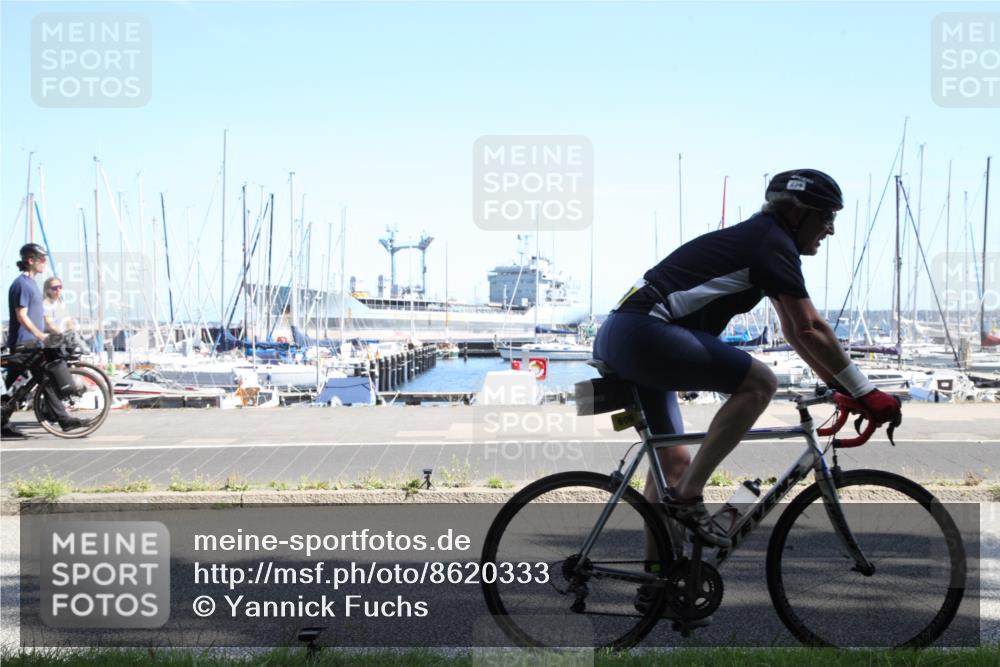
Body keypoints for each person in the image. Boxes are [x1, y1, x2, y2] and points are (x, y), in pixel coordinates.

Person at [594, 169, 901, 550]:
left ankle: (658, 585)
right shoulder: (771, 244)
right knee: (761, 383)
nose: (830, 230)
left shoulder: (762, 240)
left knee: (672, 468)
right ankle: (689, 499)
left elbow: (792, 329)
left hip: (624, 333)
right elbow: (810, 328)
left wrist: (842, 388)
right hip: (643, 333)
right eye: (826, 217)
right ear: (798, 213)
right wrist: (867, 392)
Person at [2, 244, 83, 438]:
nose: (45, 263)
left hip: (32, 343)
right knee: (40, 379)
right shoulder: (22, 284)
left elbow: (38, 315)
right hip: (25, 344)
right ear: (30, 260)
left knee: (16, 387)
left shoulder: (31, 284)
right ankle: (64, 420)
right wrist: (40, 335)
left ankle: (3, 422)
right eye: (42, 259)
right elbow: (21, 315)